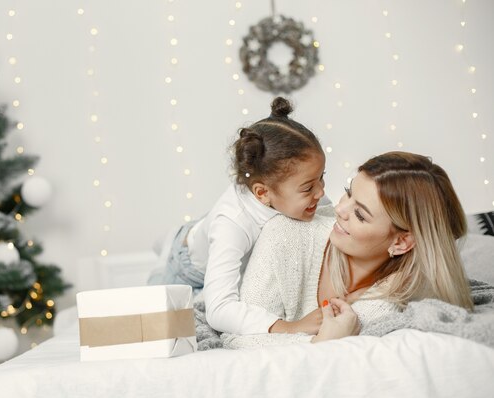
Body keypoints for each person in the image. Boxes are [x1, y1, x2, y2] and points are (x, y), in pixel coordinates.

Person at [222, 151, 474, 348]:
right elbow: (235, 340)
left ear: (401, 243)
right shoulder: (286, 231)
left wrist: (323, 344)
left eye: (360, 215)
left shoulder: (396, 302)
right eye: (347, 193)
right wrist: (319, 342)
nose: (339, 210)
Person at [148, 97, 327, 335]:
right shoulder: (232, 225)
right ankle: (168, 243)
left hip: (215, 228)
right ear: (262, 193)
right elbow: (219, 309)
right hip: (186, 266)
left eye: (322, 177)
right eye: (308, 188)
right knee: (153, 315)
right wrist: (288, 327)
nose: (321, 192)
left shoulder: (301, 194)